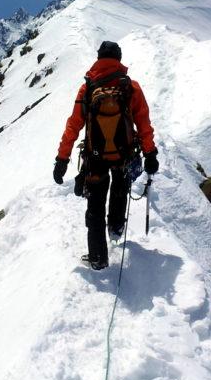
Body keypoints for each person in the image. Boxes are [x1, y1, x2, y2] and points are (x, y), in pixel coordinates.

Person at [53, 41, 159, 270]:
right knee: (120, 189)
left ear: (99, 58)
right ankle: (116, 228)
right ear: (118, 60)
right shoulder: (131, 87)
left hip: (96, 157)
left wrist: (62, 159)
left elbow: (73, 126)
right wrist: (150, 154)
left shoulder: (88, 88)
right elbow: (144, 124)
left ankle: (98, 258)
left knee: (95, 205)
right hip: (124, 155)